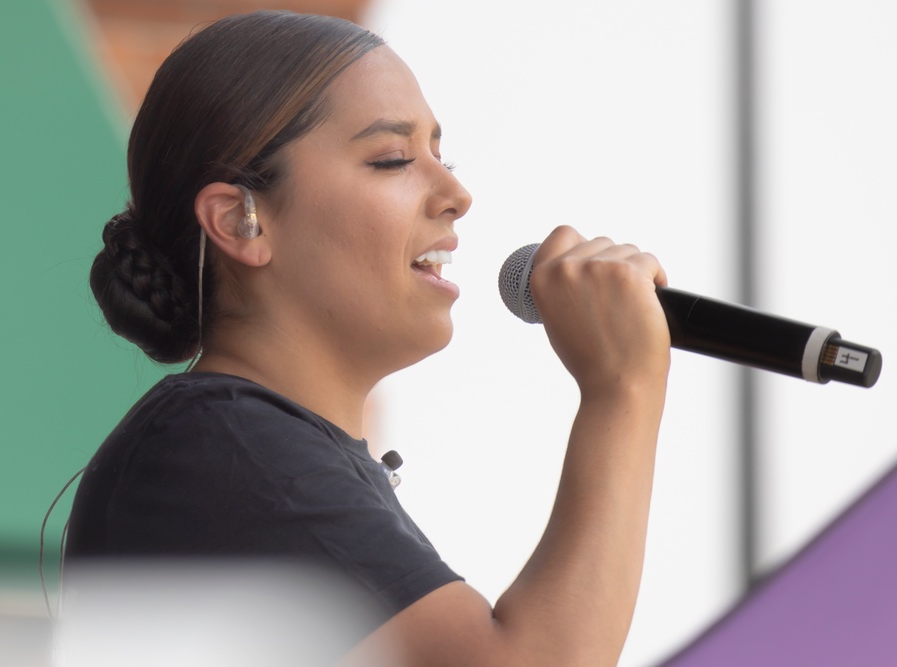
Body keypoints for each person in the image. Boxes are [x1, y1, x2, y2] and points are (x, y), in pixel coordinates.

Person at [66, 10, 670, 666]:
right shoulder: (225, 446)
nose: (455, 194)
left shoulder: (254, 447)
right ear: (242, 222)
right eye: (392, 159)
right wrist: (621, 389)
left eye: (443, 156)